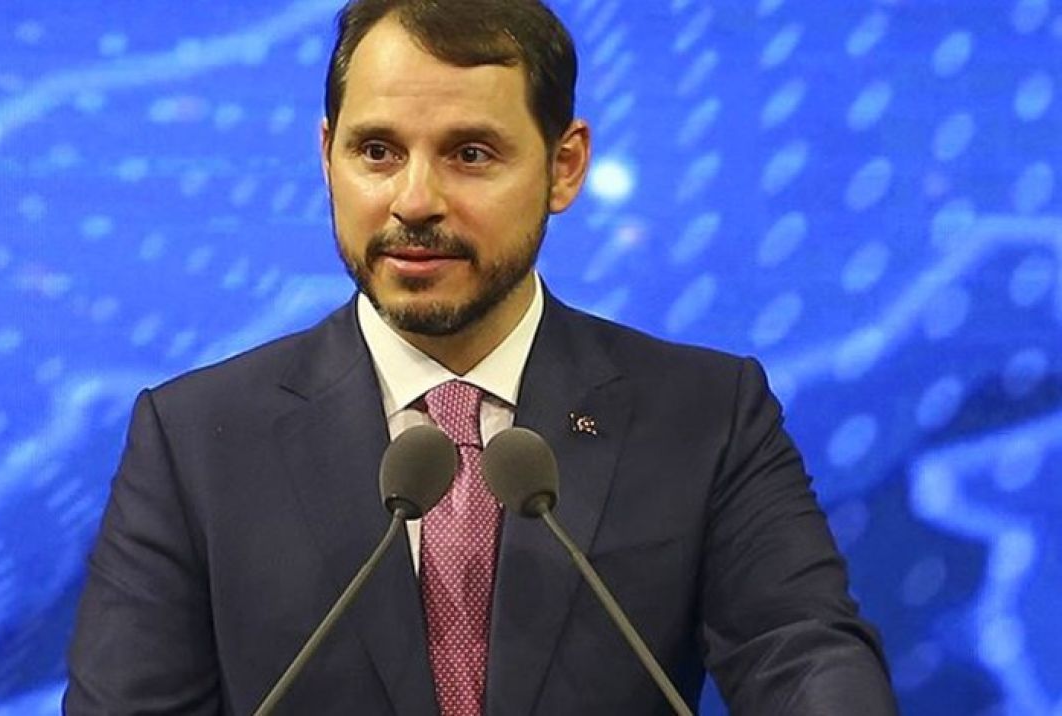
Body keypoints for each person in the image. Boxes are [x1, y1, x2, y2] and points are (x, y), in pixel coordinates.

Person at [65, 0, 898, 713]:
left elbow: (802, 654)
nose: (414, 201)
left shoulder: (707, 415)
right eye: (377, 151)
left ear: (564, 166)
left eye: (470, 154)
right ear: (326, 156)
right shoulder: (195, 440)